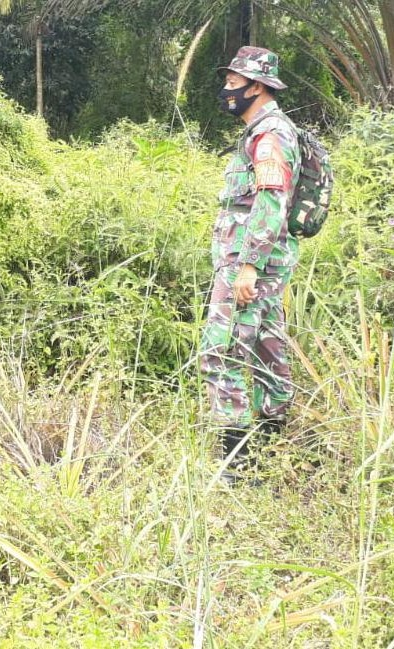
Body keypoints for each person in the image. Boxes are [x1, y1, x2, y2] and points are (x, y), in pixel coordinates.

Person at [200, 47, 302, 480]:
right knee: (267, 350)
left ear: (256, 87)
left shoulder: (271, 134)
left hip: (249, 269)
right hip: (258, 266)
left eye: (233, 83)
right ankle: (274, 448)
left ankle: (236, 464)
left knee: (218, 353)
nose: (227, 91)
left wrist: (249, 266)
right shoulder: (263, 131)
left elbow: (271, 198)